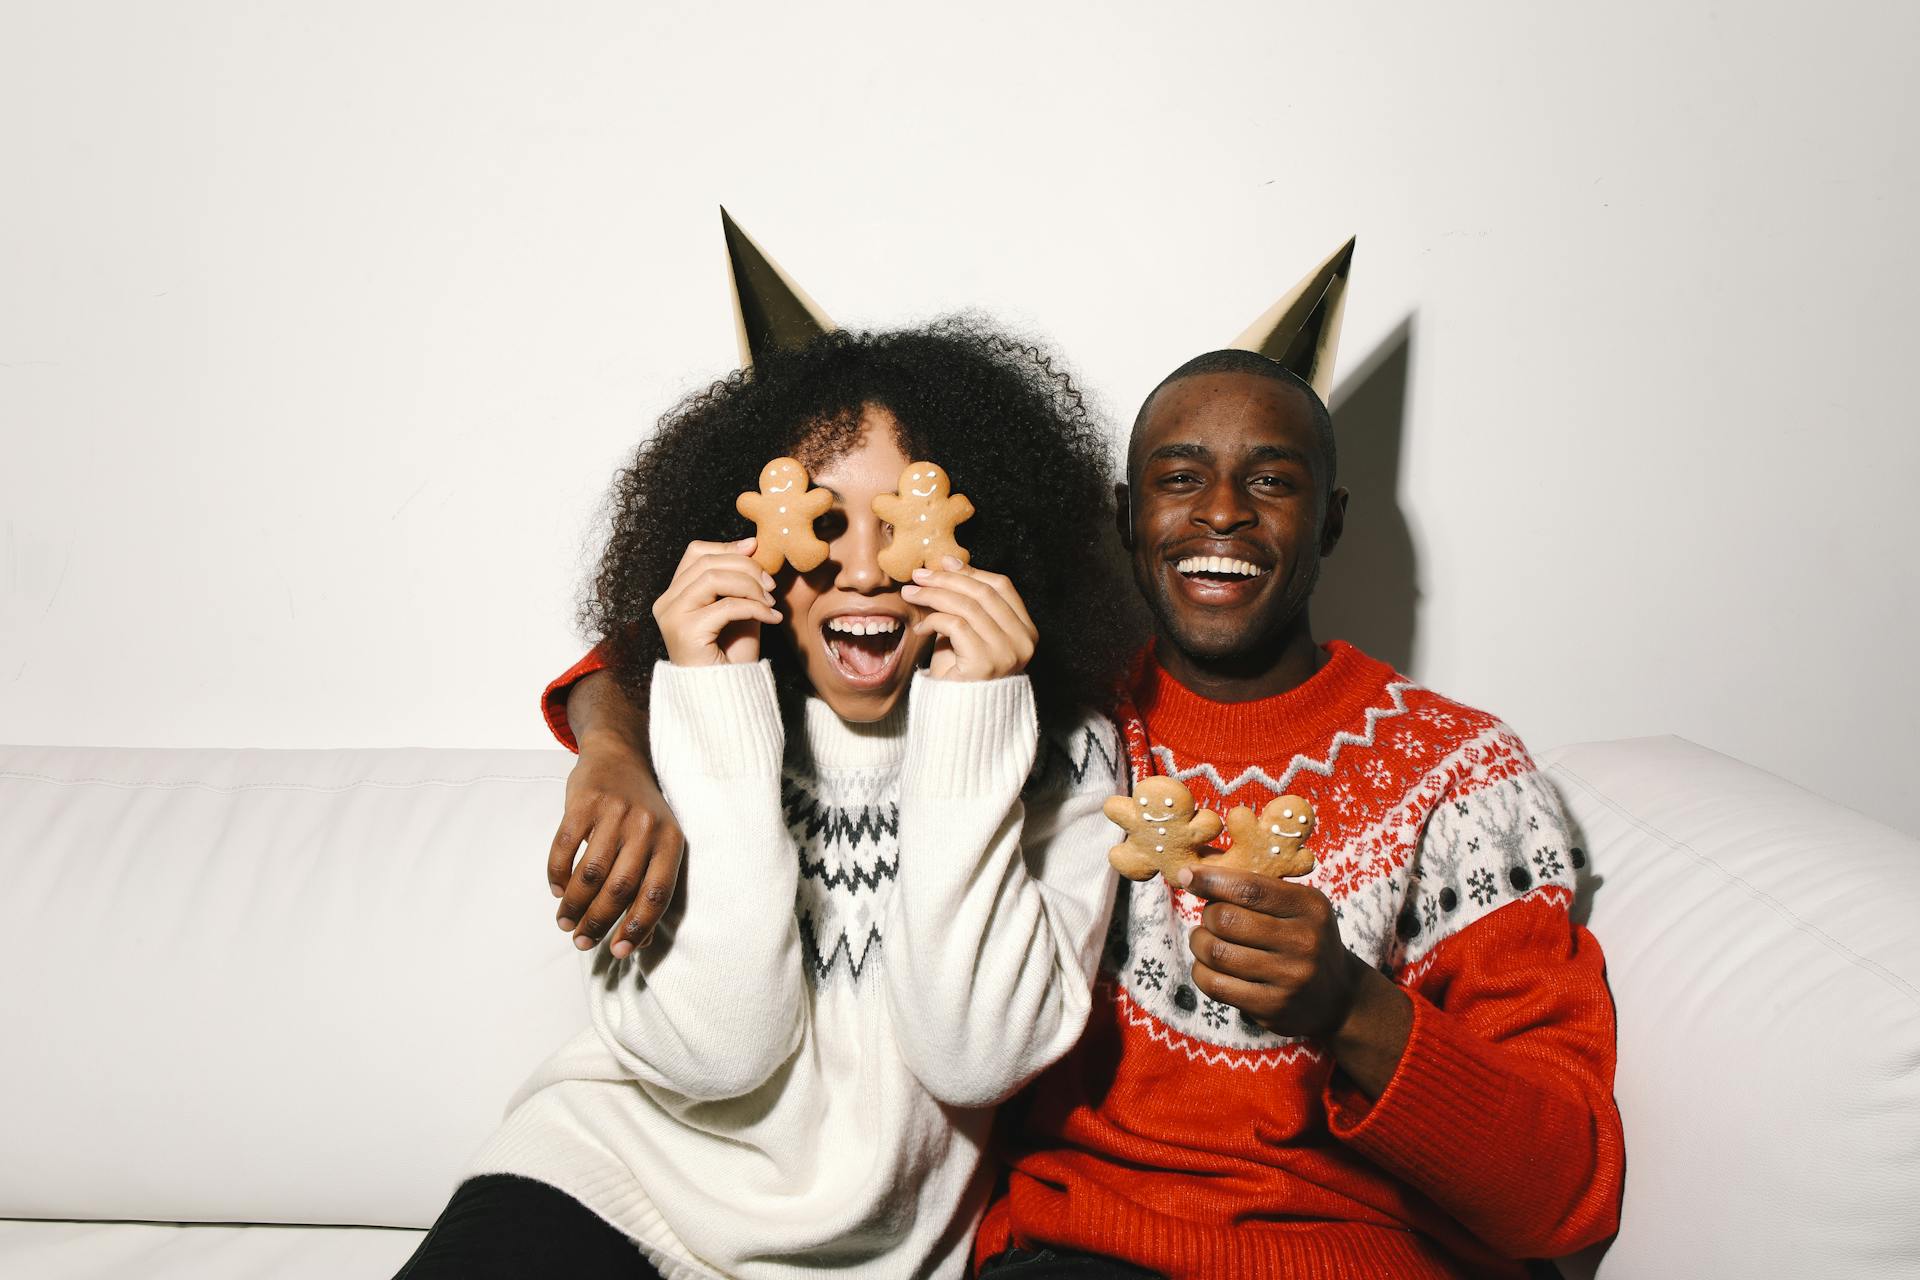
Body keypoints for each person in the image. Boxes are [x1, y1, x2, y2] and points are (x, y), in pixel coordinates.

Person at [537, 244, 1626, 1277]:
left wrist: (1352, 1006)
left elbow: (1562, 1192)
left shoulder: (1461, 771)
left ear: (1332, 519)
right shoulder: (1054, 721)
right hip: (1075, 1253)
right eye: (1181, 475)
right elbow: (691, 648)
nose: (1222, 513)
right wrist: (616, 750)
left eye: (1274, 480)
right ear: (1123, 516)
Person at [397, 320, 1133, 1279]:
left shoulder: (1066, 756)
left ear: (979, 538)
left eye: (904, 522)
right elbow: (718, 1054)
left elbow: (973, 1060)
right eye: (822, 523)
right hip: (603, 1179)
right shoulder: (703, 703)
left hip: (876, 1251)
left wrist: (972, 714)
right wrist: (710, 702)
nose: (863, 570)